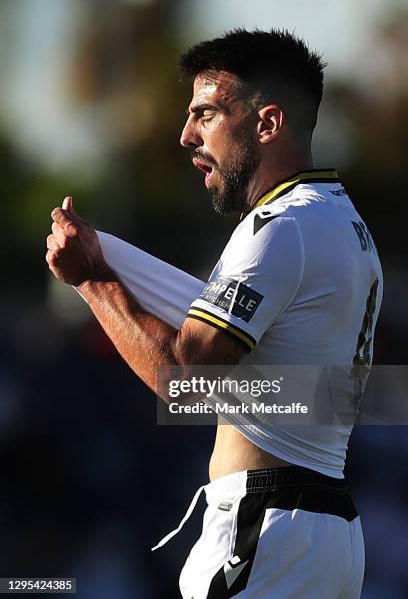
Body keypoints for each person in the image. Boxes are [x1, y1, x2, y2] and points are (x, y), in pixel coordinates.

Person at [46, 29, 383, 598]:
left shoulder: (281, 226)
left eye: (205, 114)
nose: (186, 136)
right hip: (325, 531)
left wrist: (92, 280)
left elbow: (185, 383)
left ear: (267, 124)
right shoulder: (346, 225)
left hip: (268, 528)